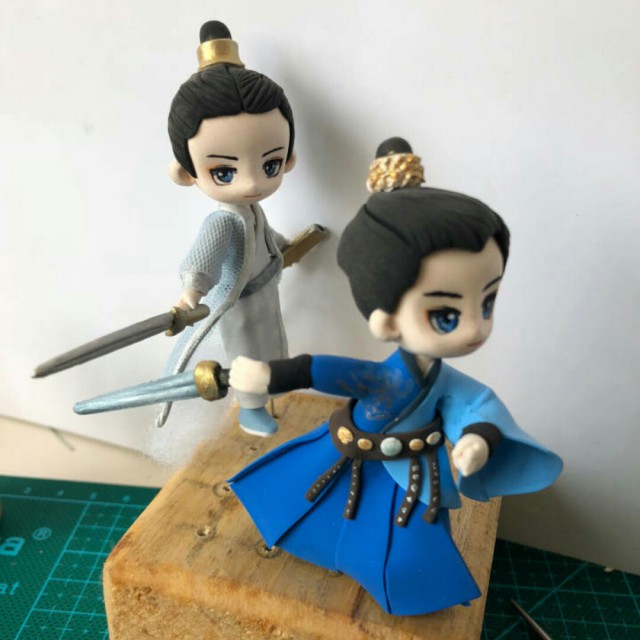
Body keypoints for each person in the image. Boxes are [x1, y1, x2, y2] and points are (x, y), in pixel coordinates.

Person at [227, 138, 563, 616]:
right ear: (385, 321)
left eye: (486, 303)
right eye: (447, 315)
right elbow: (325, 370)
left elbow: (476, 406)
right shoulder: (383, 377)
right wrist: (270, 374)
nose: (475, 329)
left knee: (409, 551)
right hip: (347, 462)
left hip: (413, 479)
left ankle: (405, 589)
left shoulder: (442, 381)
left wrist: (479, 438)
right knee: (304, 508)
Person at [157, 20, 299, 435]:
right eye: (224, 172)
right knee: (248, 353)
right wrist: (190, 296)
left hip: (267, 288)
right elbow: (202, 260)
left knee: (274, 342)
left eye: (270, 165)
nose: (252, 183)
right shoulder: (222, 220)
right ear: (186, 173)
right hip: (239, 300)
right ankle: (251, 407)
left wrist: (284, 246)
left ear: (288, 158)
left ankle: (274, 389)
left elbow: (263, 237)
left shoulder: (251, 209)